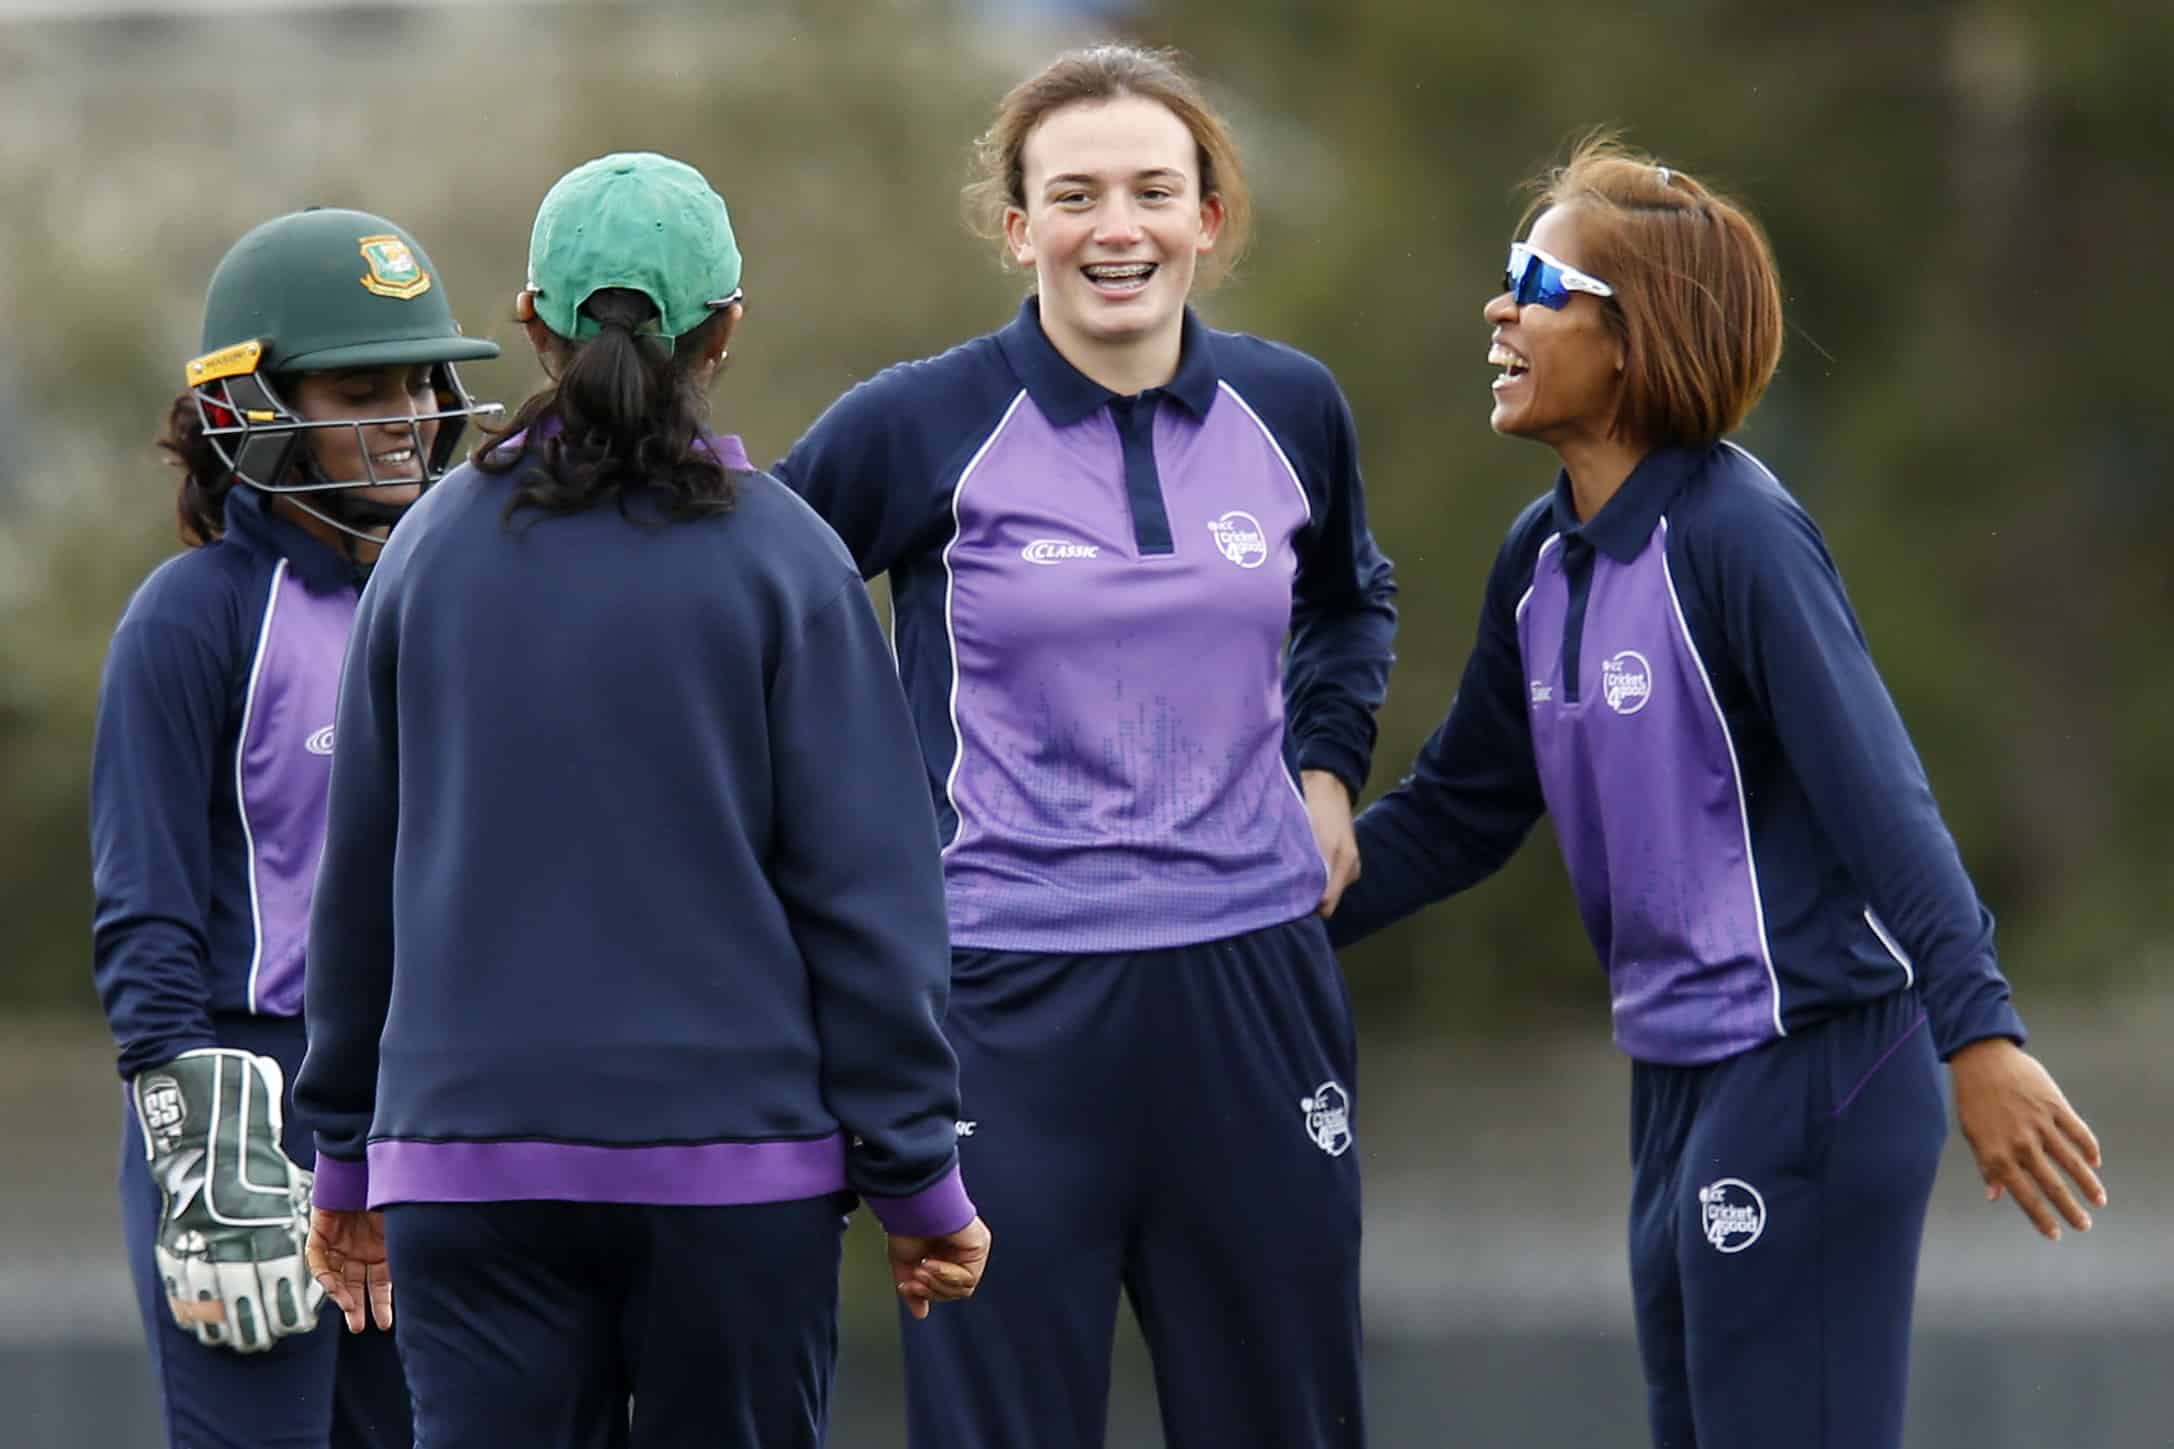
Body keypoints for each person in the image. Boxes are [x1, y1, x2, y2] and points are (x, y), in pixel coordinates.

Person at [1327, 136, 2107, 1449]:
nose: (1499, 308)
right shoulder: (1542, 558)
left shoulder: (1738, 538)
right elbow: (1456, 809)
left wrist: (1978, 1034)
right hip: (1679, 1075)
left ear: (1634, 339)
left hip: (1817, 1060)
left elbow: (1879, 799)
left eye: (1538, 283)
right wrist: (1237, 910)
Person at [291, 152, 992, 1449]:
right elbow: (868, 902)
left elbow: (360, 883)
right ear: (724, 329)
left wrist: (343, 1153)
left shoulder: (426, 556)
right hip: (739, 1174)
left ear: (532, 324)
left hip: (466, 1165)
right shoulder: (788, 561)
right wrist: (915, 1177)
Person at [773, 45, 1397, 1449]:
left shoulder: (1292, 407)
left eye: (1152, 192)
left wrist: (1324, 771)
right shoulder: (916, 424)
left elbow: (1350, 601)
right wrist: (846, 860)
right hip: (1001, 1006)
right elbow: (747, 618)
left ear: (1207, 219)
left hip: (1253, 988)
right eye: (1074, 196)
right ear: (1017, 228)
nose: (1117, 228)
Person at [90, 205, 500, 1448]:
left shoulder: (468, 597)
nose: (405, 416)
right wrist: (197, 1146)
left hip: (430, 1109)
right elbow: (146, 916)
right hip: (248, 1110)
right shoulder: (191, 617)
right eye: (358, 389)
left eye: (418, 383)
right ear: (254, 408)